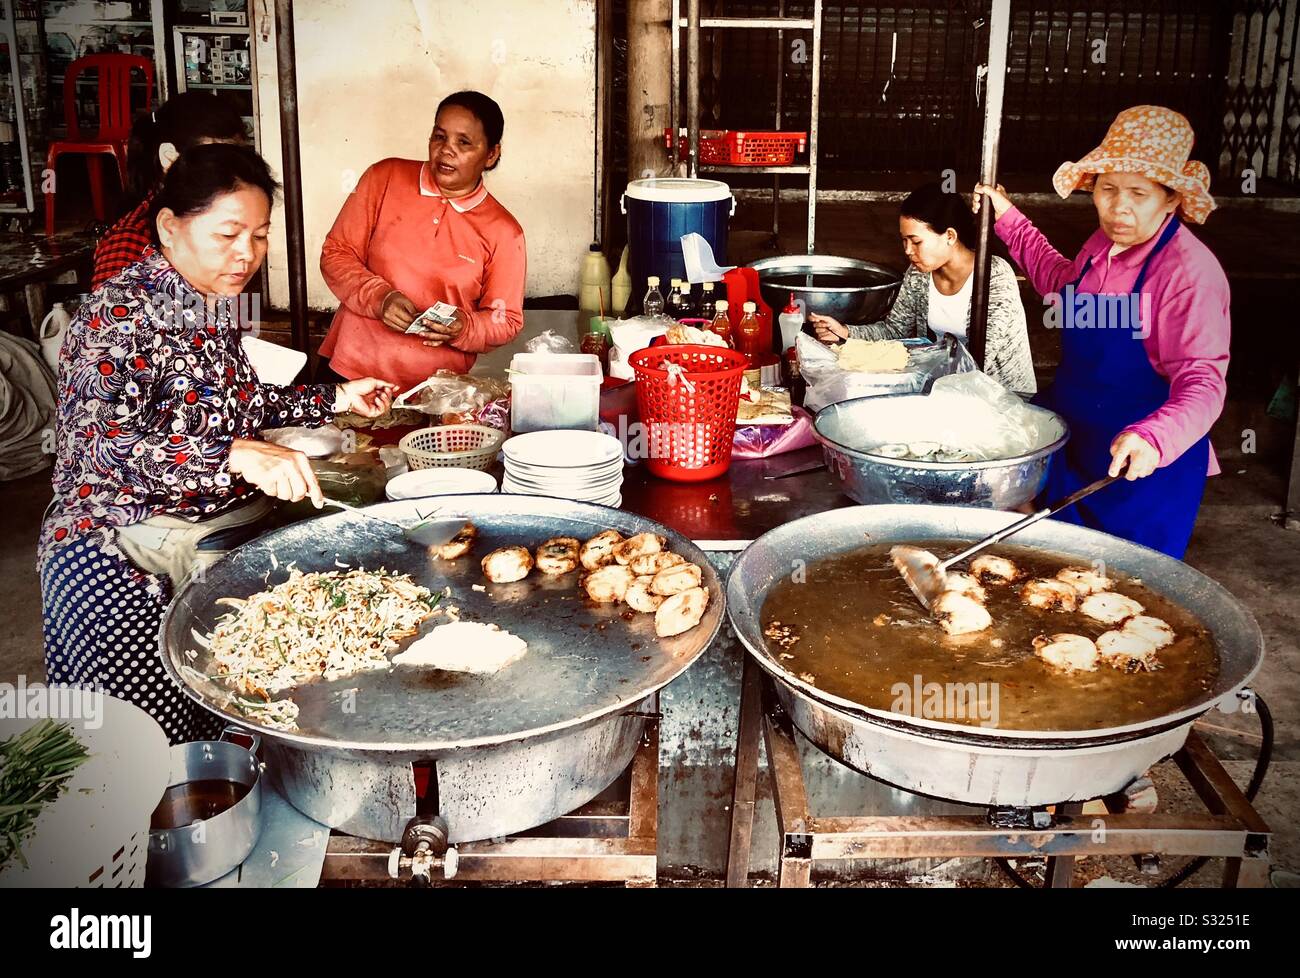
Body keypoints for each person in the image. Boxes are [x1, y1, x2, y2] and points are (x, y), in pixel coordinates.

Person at [40, 144, 396, 743]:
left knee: (219, 731)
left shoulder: (207, 305)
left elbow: (237, 404)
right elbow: (97, 447)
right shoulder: (117, 315)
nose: (247, 254)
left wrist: (336, 399)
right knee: (145, 758)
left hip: (203, 547)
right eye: (228, 233)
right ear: (169, 228)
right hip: (124, 568)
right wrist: (234, 454)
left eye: (258, 236)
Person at [974, 105, 1229, 558]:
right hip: (1077, 443)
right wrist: (1008, 218)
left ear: (1171, 199)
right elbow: (1059, 282)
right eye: (1108, 189)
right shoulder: (1101, 247)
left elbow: (1204, 380)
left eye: (1139, 193)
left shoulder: (1188, 274)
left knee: (1120, 595)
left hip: (1139, 469)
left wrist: (1154, 437)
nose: (1119, 208)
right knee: (1047, 574)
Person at [318, 90, 527, 391]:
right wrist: (380, 298)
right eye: (439, 137)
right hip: (350, 374)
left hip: (434, 392)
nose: (446, 151)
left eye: (464, 143)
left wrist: (465, 327)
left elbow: (504, 318)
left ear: (491, 154)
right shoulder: (384, 178)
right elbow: (336, 253)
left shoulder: (504, 232)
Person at [809, 182, 1036, 395]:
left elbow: (977, 361)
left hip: (1003, 400)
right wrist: (846, 333)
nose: (908, 250)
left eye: (916, 241)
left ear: (950, 236)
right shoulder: (918, 275)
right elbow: (895, 331)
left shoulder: (994, 276)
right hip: (944, 391)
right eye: (904, 241)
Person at [91, 91, 249, 290]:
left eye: (236, 162)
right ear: (169, 157)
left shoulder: (224, 228)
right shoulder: (129, 247)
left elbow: (232, 312)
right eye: (214, 163)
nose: (231, 175)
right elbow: (109, 318)